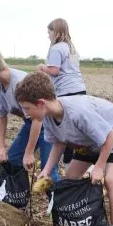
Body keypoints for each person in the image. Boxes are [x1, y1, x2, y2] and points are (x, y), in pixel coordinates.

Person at [15, 71, 113, 226]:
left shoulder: (77, 112)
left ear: (41, 103)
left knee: (110, 180)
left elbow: (109, 136)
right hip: (89, 141)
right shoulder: (48, 117)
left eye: (27, 108)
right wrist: (47, 170)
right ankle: (82, 220)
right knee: (71, 177)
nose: (25, 114)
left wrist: (99, 167)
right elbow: (58, 143)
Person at [0, 45, 59, 182]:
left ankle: (56, 201)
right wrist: (0, 147)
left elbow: (38, 120)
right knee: (13, 160)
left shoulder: (20, 82)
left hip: (47, 125)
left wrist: (29, 153)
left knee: (48, 173)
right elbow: (1, 116)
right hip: (31, 124)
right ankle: (14, 198)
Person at [36, 18, 87, 166]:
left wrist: (41, 67)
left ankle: (67, 160)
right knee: (77, 125)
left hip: (66, 92)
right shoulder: (72, 48)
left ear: (56, 31)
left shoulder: (56, 48)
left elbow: (54, 70)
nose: (48, 36)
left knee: (64, 125)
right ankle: (79, 158)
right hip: (79, 89)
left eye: (49, 32)